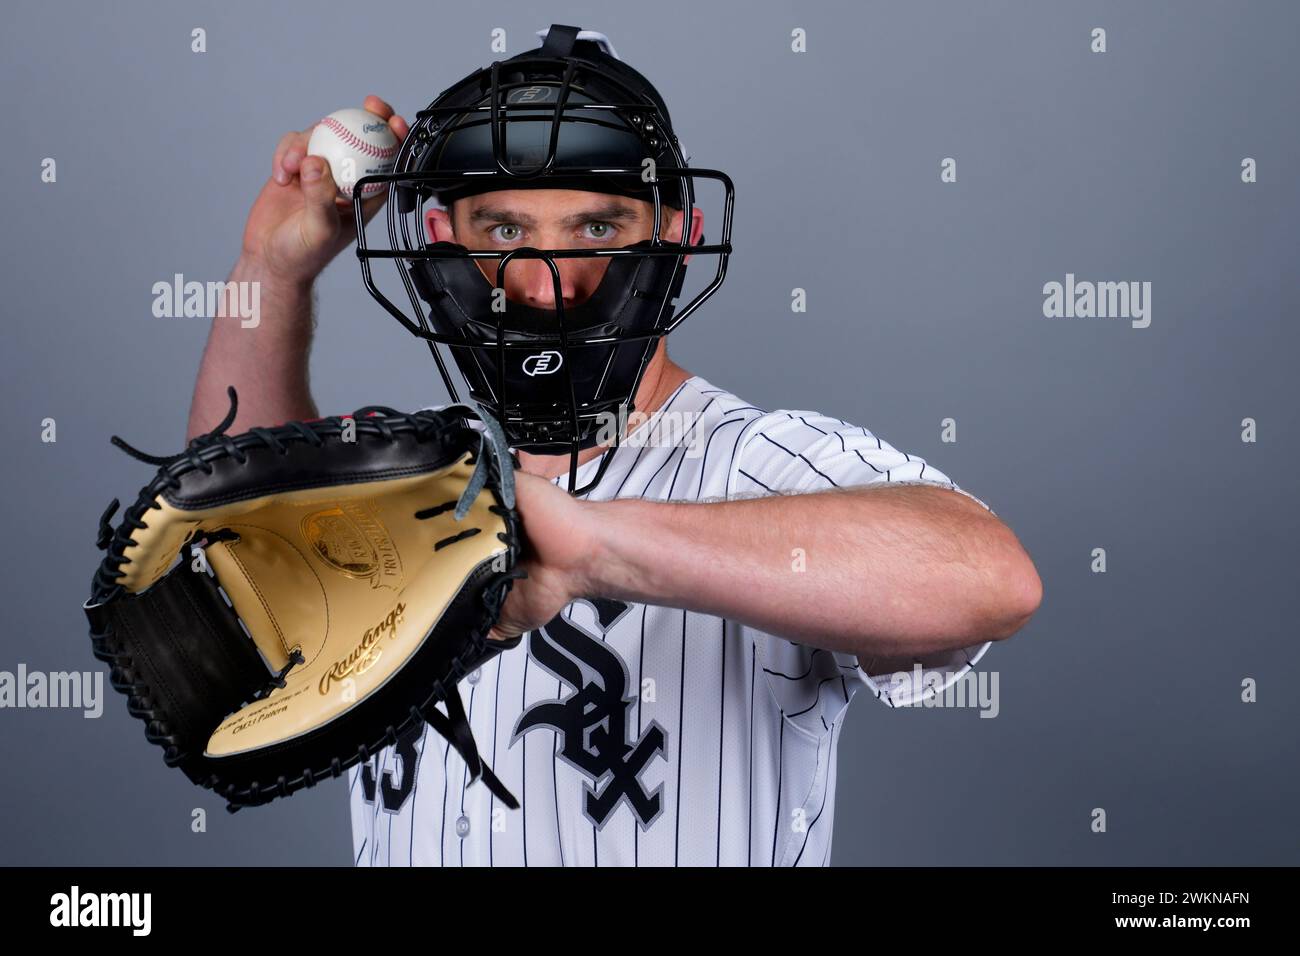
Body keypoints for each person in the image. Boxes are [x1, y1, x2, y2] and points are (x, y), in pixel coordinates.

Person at [187, 26, 1041, 867]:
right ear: (443, 241)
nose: (545, 278)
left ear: (676, 234)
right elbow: (236, 540)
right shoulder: (399, 474)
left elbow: (988, 578)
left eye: (598, 230)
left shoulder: (758, 466)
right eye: (504, 230)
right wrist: (272, 270)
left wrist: (591, 548)